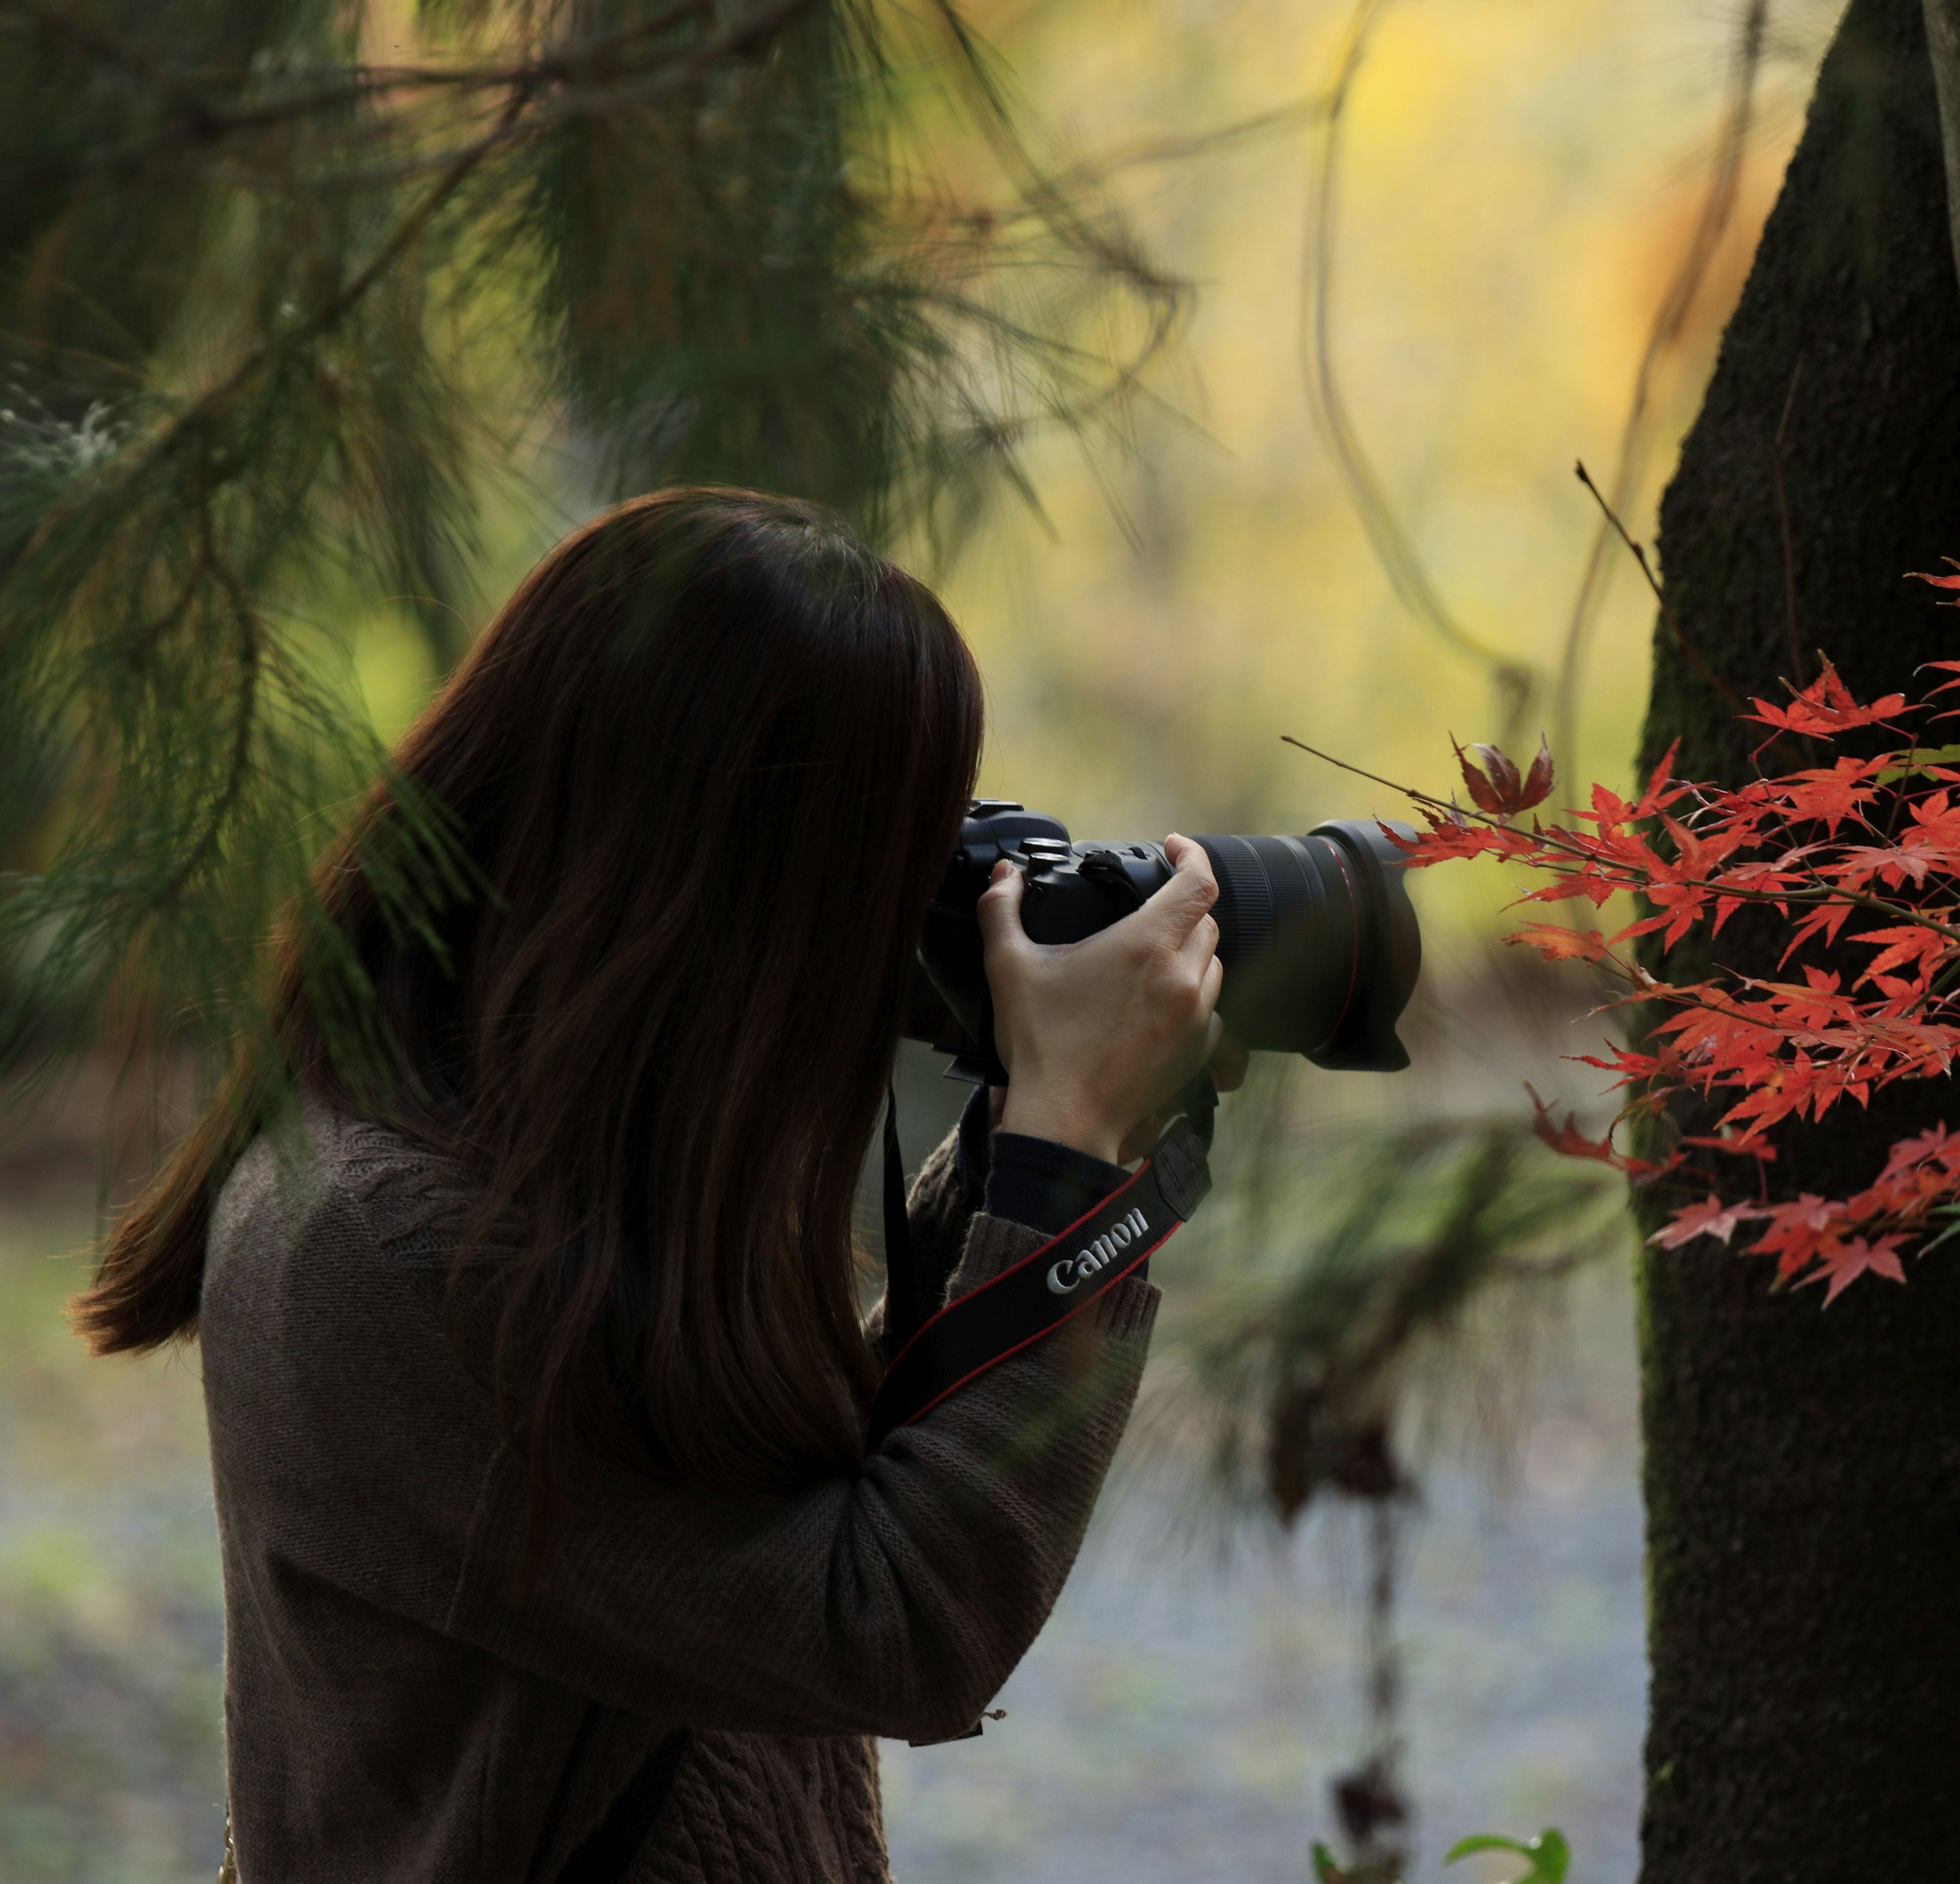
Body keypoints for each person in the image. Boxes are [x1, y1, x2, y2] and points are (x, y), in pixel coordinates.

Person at [72, 488, 1235, 1883]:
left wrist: (1020, 1141)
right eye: (886, 856)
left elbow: (763, 1513)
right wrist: (1061, 1154)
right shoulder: (371, 1247)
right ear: (738, 880)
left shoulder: (534, 1157)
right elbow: (888, 1623)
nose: (908, 915)